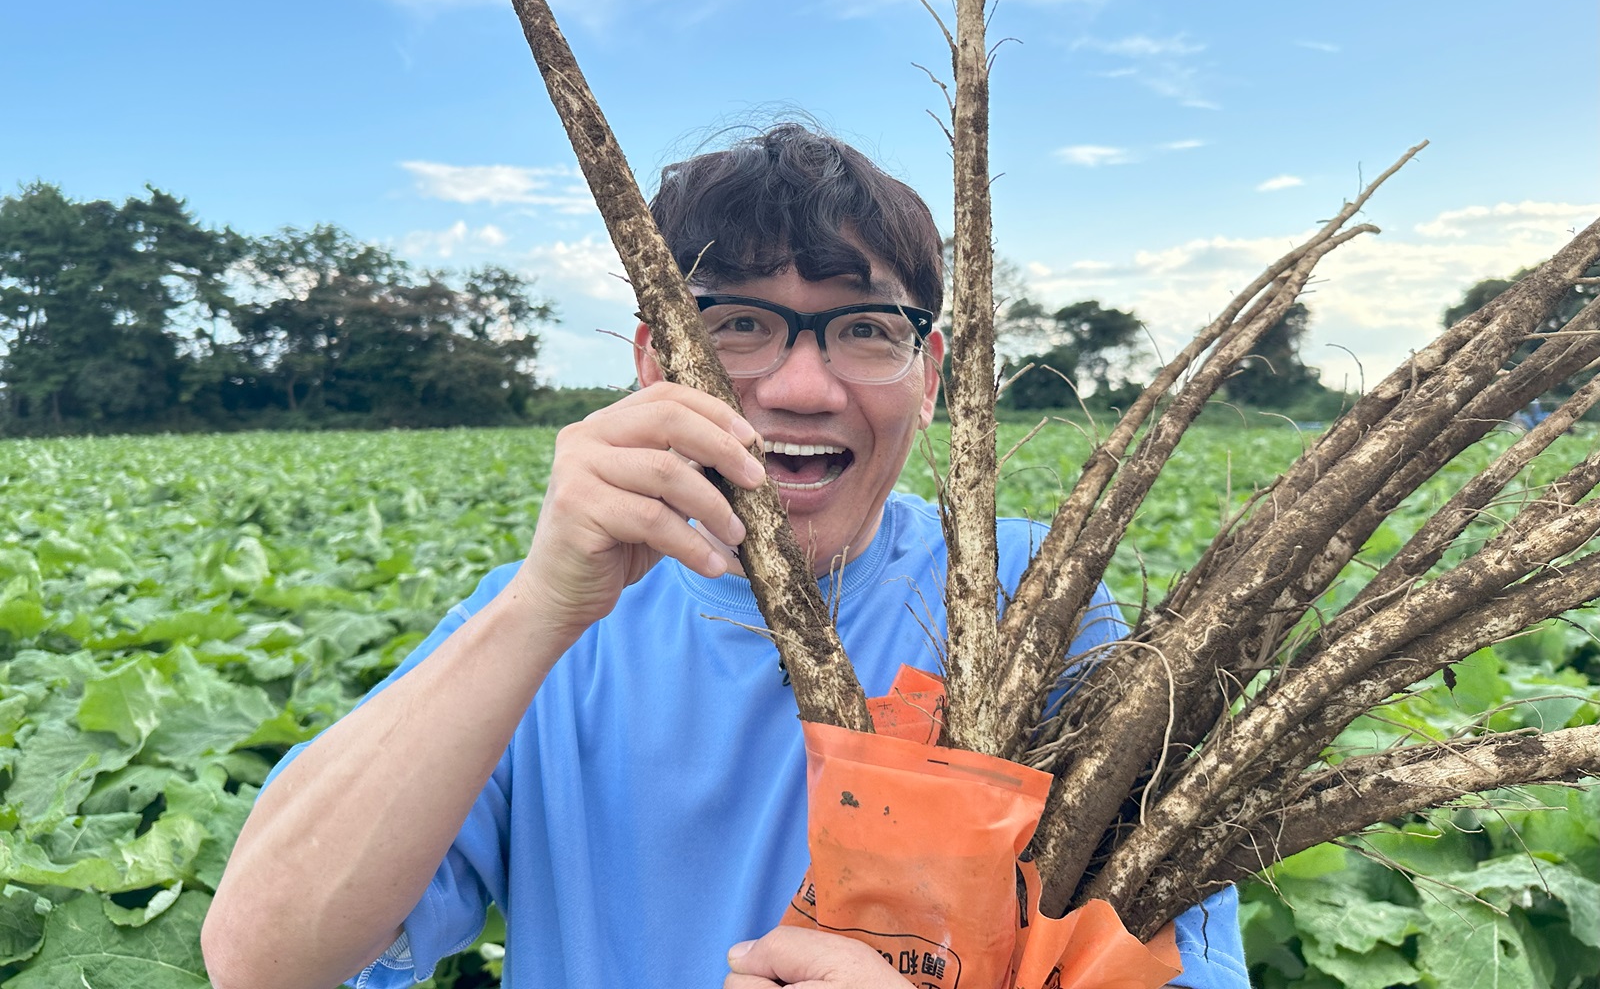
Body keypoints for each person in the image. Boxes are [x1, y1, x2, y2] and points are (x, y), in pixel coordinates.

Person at [202, 123, 1249, 989]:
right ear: (656, 359)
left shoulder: (1041, 609)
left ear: (929, 374)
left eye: (864, 330)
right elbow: (259, 961)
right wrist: (538, 612)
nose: (800, 387)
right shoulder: (538, 626)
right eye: (739, 326)